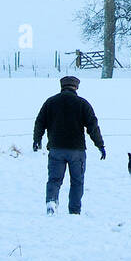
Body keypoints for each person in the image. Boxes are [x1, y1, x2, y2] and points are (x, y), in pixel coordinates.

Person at [33, 75, 106, 215]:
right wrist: (100, 145)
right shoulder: (82, 104)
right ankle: (74, 210)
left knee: (54, 179)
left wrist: (37, 140)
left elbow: (40, 122)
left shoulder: (50, 102)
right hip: (76, 150)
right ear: (76, 87)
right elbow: (92, 126)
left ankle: (51, 202)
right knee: (77, 181)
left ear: (61, 86)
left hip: (56, 148)